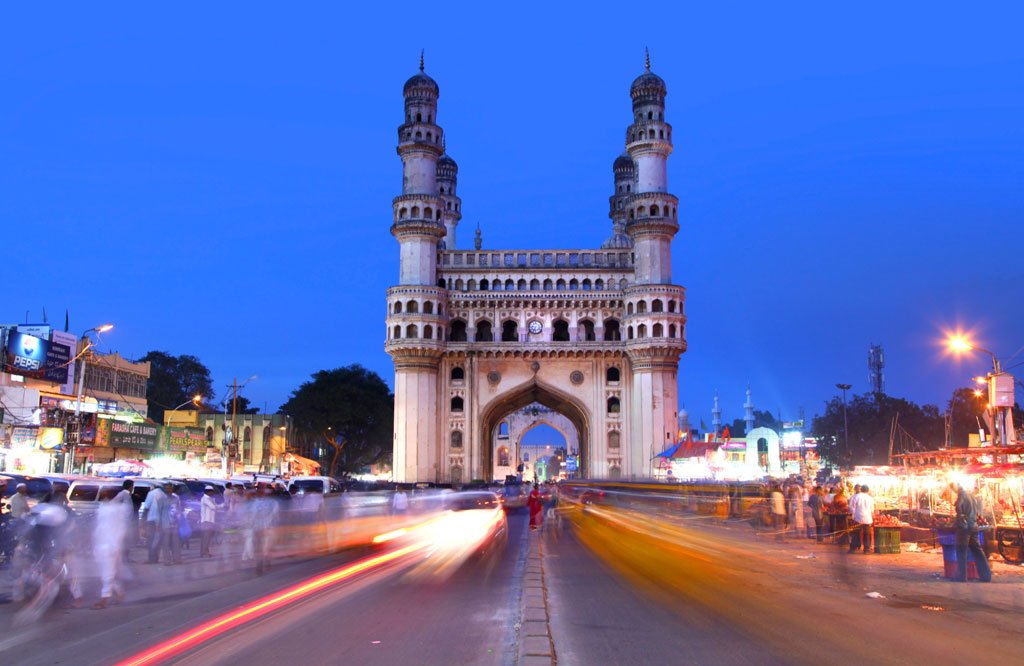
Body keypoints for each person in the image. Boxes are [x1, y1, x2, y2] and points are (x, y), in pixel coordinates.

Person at [92, 487, 130, 608]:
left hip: (110, 545)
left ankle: (104, 598)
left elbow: (120, 528)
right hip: (103, 544)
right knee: (106, 572)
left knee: (107, 573)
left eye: (103, 494)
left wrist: (115, 543)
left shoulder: (114, 509)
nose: (101, 496)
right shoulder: (106, 509)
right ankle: (119, 592)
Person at [950, 482, 992, 582]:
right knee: (978, 551)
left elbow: (959, 507)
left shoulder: (962, 495)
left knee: (961, 550)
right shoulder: (971, 495)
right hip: (973, 525)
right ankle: (986, 576)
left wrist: (960, 515)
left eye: (953, 489)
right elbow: (977, 511)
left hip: (965, 527)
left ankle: (962, 576)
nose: (954, 491)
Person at [142, 482, 168, 564]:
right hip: (160, 521)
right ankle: (155, 558)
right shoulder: (164, 495)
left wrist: (143, 520)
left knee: (150, 539)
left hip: (152, 519)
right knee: (157, 540)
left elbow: (146, 507)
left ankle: (151, 559)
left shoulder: (151, 493)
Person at [849, 484, 874, 554]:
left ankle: (853, 549)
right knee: (867, 534)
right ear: (868, 491)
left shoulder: (856, 497)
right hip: (867, 518)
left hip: (858, 518)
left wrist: (853, 515)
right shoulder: (870, 498)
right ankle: (866, 549)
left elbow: (852, 507)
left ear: (861, 489)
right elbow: (872, 510)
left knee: (856, 533)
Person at [199, 486, 219, 558]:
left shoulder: (210, 499)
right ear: (208, 491)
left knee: (206, 538)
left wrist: (222, 505)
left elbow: (215, 506)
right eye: (212, 491)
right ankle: (204, 553)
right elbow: (213, 507)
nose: (213, 493)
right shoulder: (205, 499)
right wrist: (218, 506)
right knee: (206, 538)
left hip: (210, 521)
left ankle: (204, 552)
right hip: (206, 521)